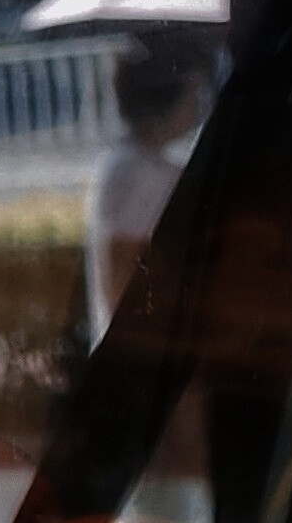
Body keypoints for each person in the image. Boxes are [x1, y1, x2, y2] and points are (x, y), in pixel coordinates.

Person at [85, 35, 212, 343]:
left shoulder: (129, 165)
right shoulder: (142, 175)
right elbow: (125, 276)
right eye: (195, 92)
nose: (199, 104)